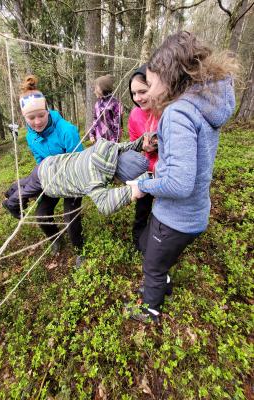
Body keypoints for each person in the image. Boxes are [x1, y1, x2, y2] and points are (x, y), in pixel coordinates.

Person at [127, 31, 238, 323]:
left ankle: (149, 309)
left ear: (169, 75)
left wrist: (142, 184)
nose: (147, 92)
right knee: (157, 254)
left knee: (151, 264)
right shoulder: (204, 104)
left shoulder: (178, 113)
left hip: (175, 217)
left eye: (150, 84)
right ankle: (163, 283)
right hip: (195, 213)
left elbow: (178, 182)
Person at [18, 75, 84, 261]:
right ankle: (55, 238)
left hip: (72, 178)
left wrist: (67, 177)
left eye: (41, 115)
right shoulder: (31, 136)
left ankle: (80, 249)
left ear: (48, 111)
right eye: (31, 118)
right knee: (42, 215)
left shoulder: (66, 130)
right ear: (25, 118)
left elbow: (80, 161)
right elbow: (40, 160)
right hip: (50, 178)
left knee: (70, 218)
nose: (37, 122)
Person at [3, 136, 150, 218]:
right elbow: (105, 204)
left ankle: (10, 191)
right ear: (119, 176)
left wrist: (141, 143)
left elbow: (125, 146)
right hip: (47, 179)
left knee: (27, 180)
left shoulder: (109, 149)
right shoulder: (95, 178)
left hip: (48, 163)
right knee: (29, 191)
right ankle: (11, 204)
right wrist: (133, 191)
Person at [128, 64, 160, 251]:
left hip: (165, 172)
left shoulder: (168, 111)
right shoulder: (134, 114)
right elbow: (134, 143)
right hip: (146, 170)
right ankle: (138, 241)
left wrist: (158, 146)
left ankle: (156, 244)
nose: (137, 98)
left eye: (142, 91)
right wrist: (142, 146)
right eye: (133, 93)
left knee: (162, 212)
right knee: (142, 209)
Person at [89, 74, 123, 143]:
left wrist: (116, 140)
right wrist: (91, 133)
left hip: (112, 139)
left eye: (96, 88)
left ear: (103, 88)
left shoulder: (114, 103)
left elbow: (118, 124)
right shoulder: (97, 104)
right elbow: (95, 120)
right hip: (100, 139)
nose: (94, 91)